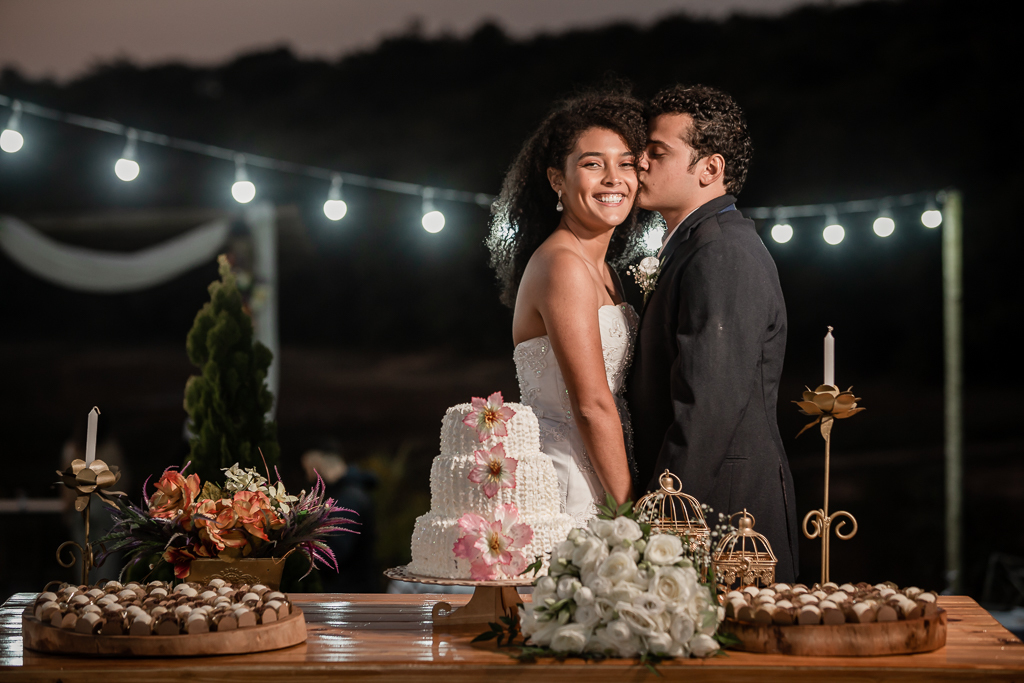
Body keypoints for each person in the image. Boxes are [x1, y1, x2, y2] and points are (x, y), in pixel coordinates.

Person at [626, 84, 799, 582]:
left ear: (709, 168)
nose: (640, 164)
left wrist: (659, 527)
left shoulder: (721, 253)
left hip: (724, 517)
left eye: (657, 152)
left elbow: (706, 408)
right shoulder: (696, 245)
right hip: (708, 504)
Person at [488, 91, 651, 526]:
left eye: (626, 164)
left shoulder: (605, 270)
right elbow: (591, 405)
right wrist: (627, 515)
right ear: (557, 179)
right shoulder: (563, 266)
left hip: (603, 468)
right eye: (593, 164)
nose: (614, 179)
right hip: (569, 487)